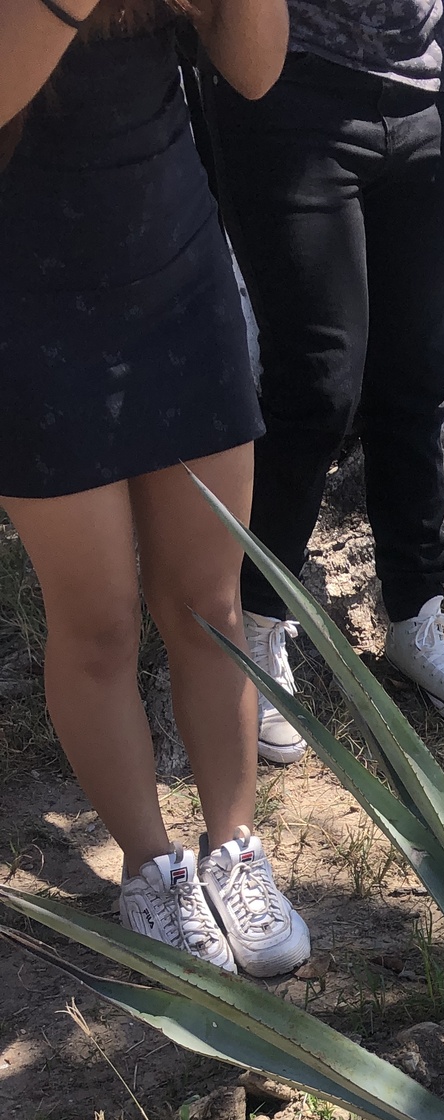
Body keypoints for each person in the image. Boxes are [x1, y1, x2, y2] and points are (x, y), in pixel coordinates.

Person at [0, 0, 311, 978]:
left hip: (176, 271)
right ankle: (150, 866)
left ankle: (233, 848)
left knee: (210, 602)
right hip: (27, 294)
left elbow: (256, 72)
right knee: (97, 619)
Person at [202, 0, 444, 764]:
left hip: (429, 93)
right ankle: (259, 621)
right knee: (317, 386)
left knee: (418, 377)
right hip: (290, 89)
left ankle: (414, 615)